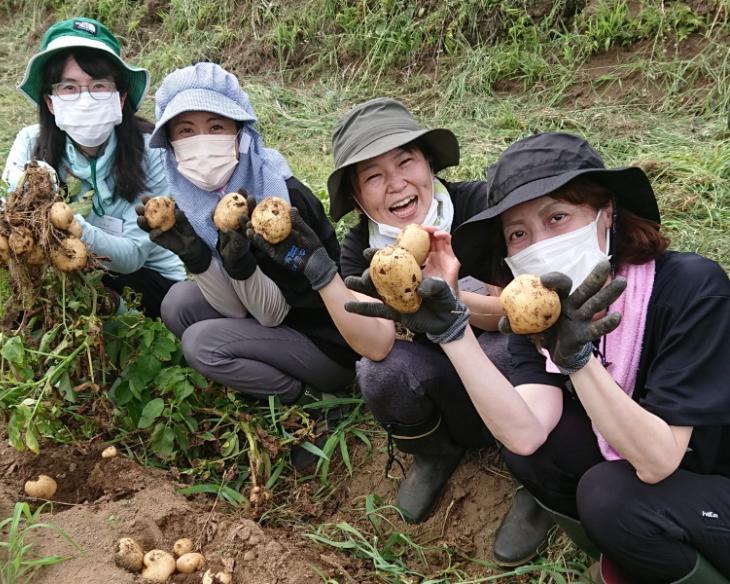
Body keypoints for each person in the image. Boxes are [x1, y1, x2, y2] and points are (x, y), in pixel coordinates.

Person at [346, 132, 730, 583]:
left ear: (606, 213)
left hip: (713, 478)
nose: (538, 243)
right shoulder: (539, 311)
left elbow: (659, 458)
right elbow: (523, 433)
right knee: (539, 455)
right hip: (662, 479)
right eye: (519, 233)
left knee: (610, 497)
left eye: (558, 217)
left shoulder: (689, 288)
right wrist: (453, 332)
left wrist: (578, 360)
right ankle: (631, 550)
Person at [322, 96, 552, 565]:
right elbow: (377, 345)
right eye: (373, 176)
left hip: (508, 375)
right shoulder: (362, 251)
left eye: (405, 161)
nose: (397, 184)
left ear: (428, 163)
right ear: (357, 198)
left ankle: (539, 480)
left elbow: (525, 316)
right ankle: (435, 454)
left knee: (513, 350)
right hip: (443, 383)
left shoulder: (478, 207)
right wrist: (321, 274)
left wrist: (452, 302)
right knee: (379, 374)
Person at [138, 62, 368, 434]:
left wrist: (241, 264)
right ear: (171, 146)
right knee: (177, 303)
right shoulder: (197, 202)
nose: (201, 141)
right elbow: (232, 305)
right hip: (266, 318)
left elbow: (271, 315)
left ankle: (308, 398)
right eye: (186, 131)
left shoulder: (280, 201)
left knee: (202, 344)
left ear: (239, 134)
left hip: (324, 341)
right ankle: (256, 373)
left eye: (215, 127)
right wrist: (197, 256)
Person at [1, 17, 185, 318]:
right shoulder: (30, 144)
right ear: (50, 102)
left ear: (120, 97)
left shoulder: (152, 151)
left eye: (98, 86)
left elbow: (133, 257)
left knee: (94, 287)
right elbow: (8, 218)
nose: (85, 99)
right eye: (69, 88)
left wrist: (72, 225)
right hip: (68, 268)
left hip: (149, 282)